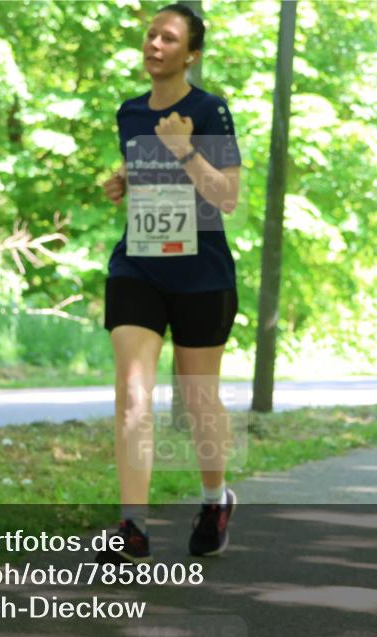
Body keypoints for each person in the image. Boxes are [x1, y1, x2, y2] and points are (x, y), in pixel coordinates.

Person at [98, 4, 242, 563]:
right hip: (139, 264)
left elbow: (225, 196)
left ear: (191, 54)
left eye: (170, 37)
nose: (155, 43)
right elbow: (148, 173)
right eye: (151, 34)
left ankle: (214, 499)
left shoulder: (210, 110)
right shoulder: (129, 113)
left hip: (201, 272)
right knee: (133, 391)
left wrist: (186, 149)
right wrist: (124, 180)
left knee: (197, 398)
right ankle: (131, 527)